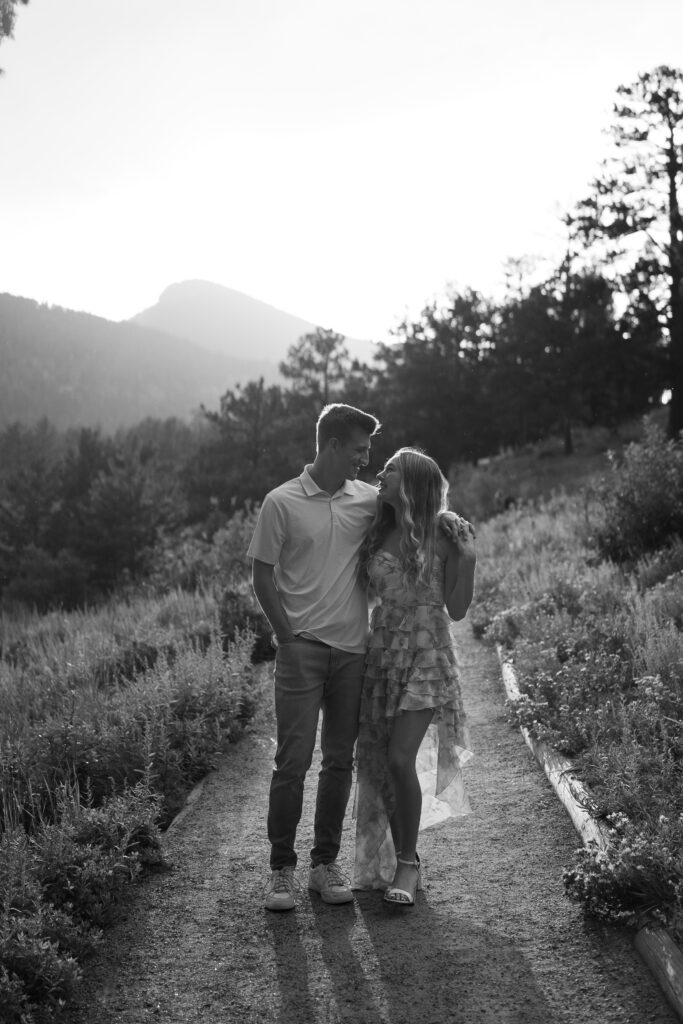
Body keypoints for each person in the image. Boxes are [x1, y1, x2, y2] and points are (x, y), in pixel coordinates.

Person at [247, 403, 381, 911]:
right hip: (301, 651)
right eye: (359, 449)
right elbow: (262, 574)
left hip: (353, 652)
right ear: (331, 446)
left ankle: (324, 866)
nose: (365, 460)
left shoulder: (369, 500)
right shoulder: (280, 502)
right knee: (292, 762)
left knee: (339, 762)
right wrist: (286, 635)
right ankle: (281, 870)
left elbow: (415, 512)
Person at [352, 447, 476, 906]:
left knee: (401, 758)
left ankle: (407, 864)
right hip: (382, 658)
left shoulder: (443, 530)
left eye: (390, 470)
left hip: (428, 655)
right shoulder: (375, 528)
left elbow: (458, 609)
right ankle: (402, 859)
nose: (379, 474)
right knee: (381, 763)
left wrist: (468, 559)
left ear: (414, 482)